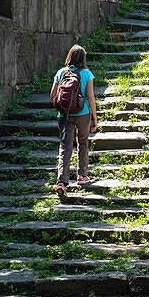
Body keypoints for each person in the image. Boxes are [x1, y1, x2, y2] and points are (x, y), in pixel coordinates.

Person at [50, 44, 98, 196]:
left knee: (65, 146)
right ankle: (82, 176)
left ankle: (62, 182)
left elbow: (52, 96)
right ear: (83, 58)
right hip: (83, 114)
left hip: (65, 115)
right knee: (83, 143)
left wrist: (65, 105)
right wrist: (95, 118)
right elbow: (90, 97)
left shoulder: (61, 73)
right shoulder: (87, 74)